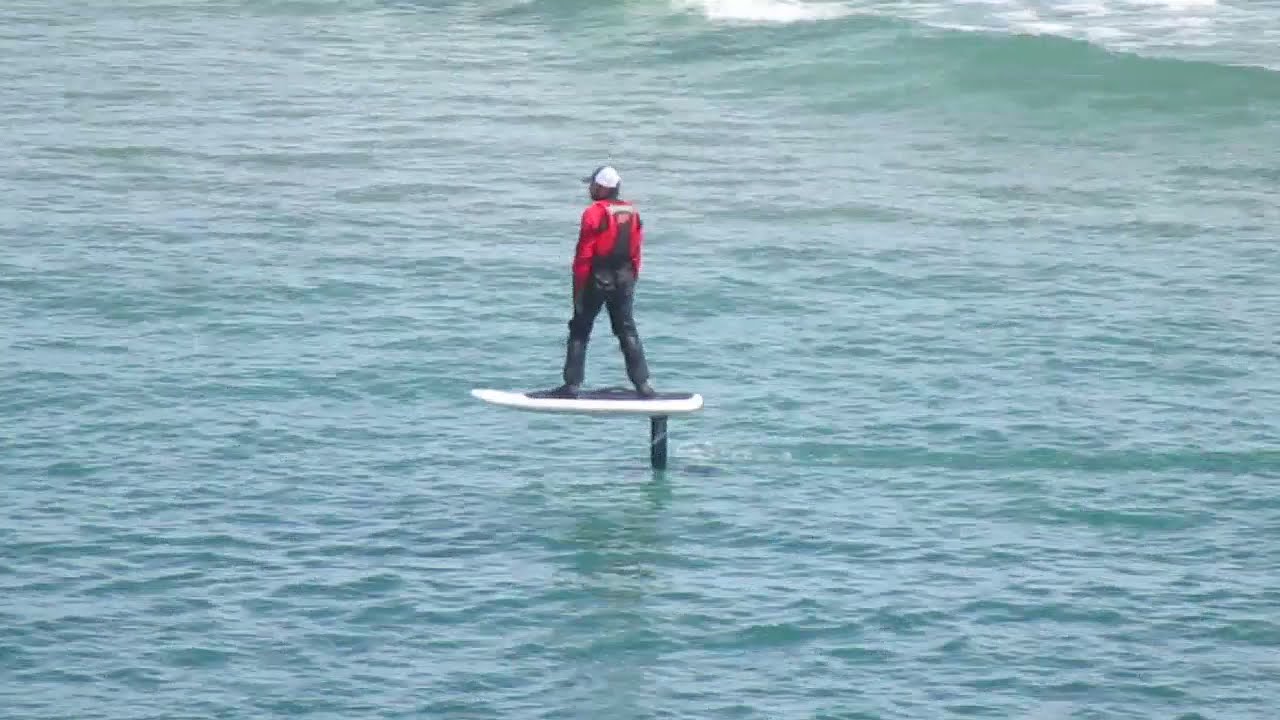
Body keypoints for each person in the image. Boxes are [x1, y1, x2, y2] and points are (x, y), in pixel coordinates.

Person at [549, 165, 655, 398]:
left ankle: (571, 385)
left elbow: (584, 254)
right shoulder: (632, 212)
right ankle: (643, 385)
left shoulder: (594, 213)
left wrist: (578, 289)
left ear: (602, 188)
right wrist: (631, 280)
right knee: (626, 329)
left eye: (592, 185)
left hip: (597, 277)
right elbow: (636, 251)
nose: (590, 189)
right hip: (625, 277)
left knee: (579, 329)